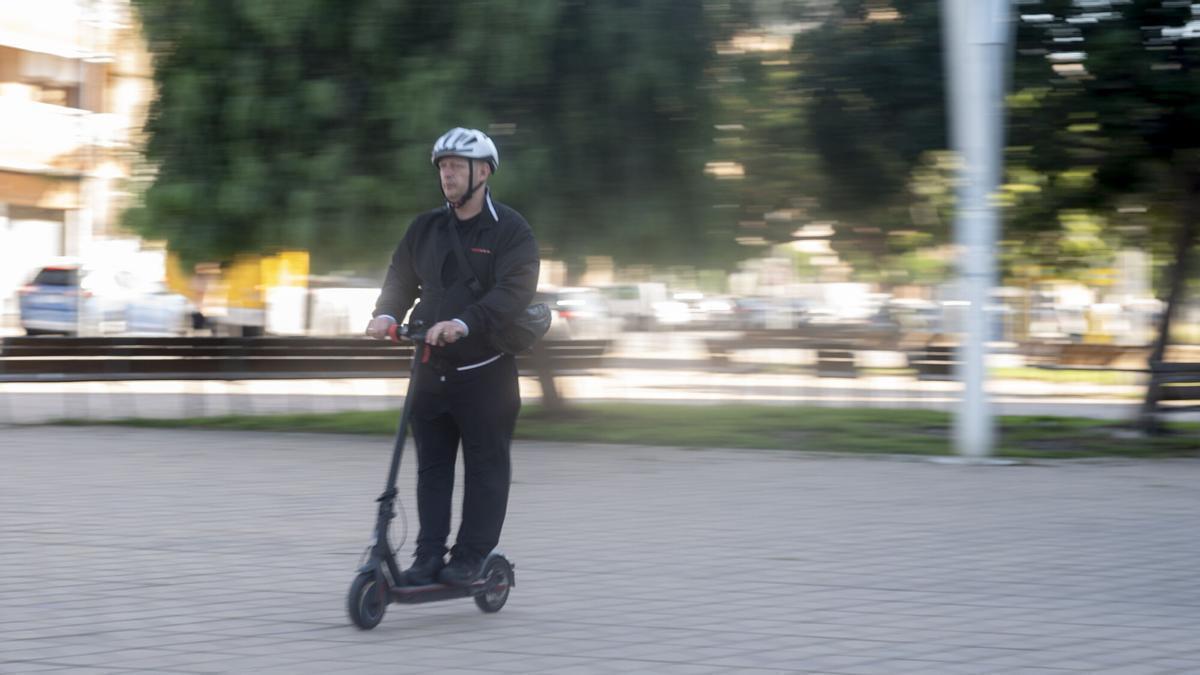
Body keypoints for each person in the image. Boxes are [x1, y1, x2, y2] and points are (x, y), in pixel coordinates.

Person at [365, 128, 539, 587]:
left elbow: (514, 291)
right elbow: (400, 278)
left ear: (483, 172)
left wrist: (464, 323)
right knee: (433, 467)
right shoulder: (424, 228)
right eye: (443, 166)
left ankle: (471, 556)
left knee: (485, 468)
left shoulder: (511, 231)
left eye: (457, 166)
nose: (448, 174)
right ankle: (427, 555)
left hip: (486, 372)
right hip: (430, 369)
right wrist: (386, 313)